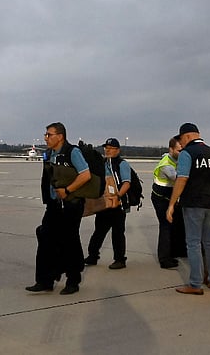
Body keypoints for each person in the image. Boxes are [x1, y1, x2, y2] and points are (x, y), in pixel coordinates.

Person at [26, 122, 96, 295]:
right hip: (54, 204)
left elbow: (85, 174)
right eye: (46, 134)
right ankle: (45, 280)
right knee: (45, 236)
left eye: (49, 134)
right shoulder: (49, 154)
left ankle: (73, 280)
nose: (46, 137)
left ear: (60, 136)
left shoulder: (73, 152)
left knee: (69, 240)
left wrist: (68, 190)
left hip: (71, 204)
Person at [167, 123, 210, 295]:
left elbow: (181, 179)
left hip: (194, 203)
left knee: (193, 243)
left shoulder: (187, 153)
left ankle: (195, 284)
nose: (180, 143)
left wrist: (172, 204)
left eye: (181, 139)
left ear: (187, 137)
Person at [84, 138, 130, 270]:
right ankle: (93, 255)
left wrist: (118, 196)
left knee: (118, 232)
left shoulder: (122, 164)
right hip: (104, 204)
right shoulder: (103, 163)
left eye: (111, 148)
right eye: (106, 148)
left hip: (117, 204)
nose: (108, 150)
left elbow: (126, 183)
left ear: (118, 150)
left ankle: (120, 259)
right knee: (99, 230)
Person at [151, 136, 187, 269]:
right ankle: (164, 259)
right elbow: (178, 178)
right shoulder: (166, 164)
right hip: (161, 198)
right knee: (166, 225)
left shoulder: (179, 159)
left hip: (172, 197)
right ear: (171, 149)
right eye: (179, 150)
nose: (181, 153)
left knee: (178, 224)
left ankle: (178, 251)